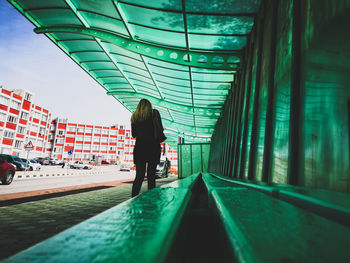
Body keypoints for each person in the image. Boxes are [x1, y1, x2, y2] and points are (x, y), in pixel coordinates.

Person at [131, 99, 164, 197]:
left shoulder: (135, 117)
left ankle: (133, 198)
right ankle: (151, 199)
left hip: (140, 148)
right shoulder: (154, 113)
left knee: (139, 176)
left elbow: (134, 134)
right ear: (149, 106)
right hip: (153, 147)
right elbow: (160, 129)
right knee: (151, 176)